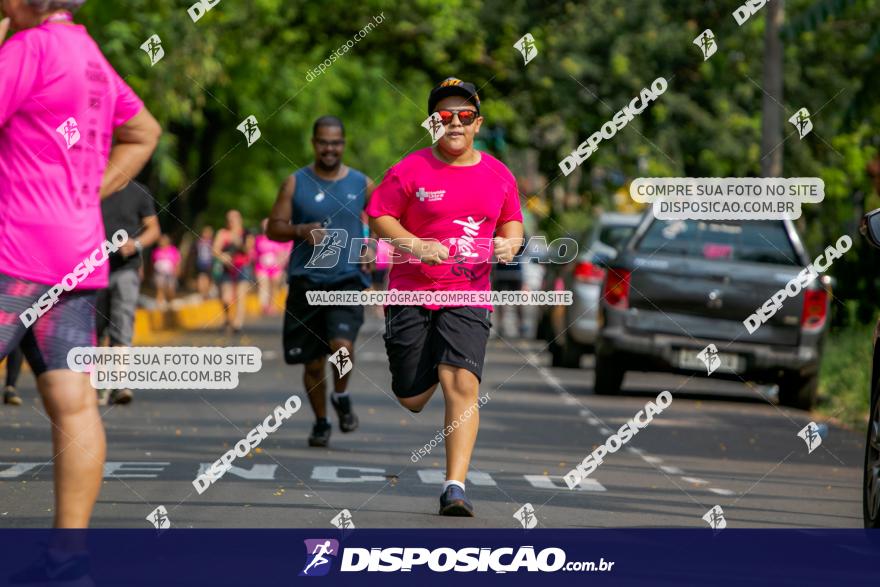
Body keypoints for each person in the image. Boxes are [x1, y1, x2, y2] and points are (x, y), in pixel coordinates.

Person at [0, 0, 160, 556]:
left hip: (12, 255)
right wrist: (87, 192)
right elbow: (143, 130)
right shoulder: (90, 55)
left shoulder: (27, 48)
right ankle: (67, 558)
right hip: (75, 256)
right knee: (75, 406)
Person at [367, 78, 524, 516]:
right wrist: (415, 245)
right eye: (444, 116)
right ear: (432, 123)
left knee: (462, 384)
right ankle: (433, 363)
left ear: (478, 123)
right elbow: (378, 213)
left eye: (465, 115)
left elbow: (513, 223)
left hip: (468, 292)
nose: (454, 122)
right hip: (410, 292)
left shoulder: (498, 174)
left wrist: (510, 244)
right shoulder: (409, 169)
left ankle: (455, 486)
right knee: (411, 397)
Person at [267, 115, 373, 447]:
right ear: (314, 143)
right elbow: (273, 227)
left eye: (336, 142)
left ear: (343, 144)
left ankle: (341, 395)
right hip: (306, 283)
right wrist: (299, 230)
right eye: (324, 142)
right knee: (312, 363)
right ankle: (322, 421)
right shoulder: (295, 183)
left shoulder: (362, 184)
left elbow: (386, 220)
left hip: (346, 280)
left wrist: (371, 246)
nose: (330, 148)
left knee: (342, 347)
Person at [95, 179, 160, 406]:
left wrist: (137, 244)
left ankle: (120, 383)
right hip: (93, 270)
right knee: (96, 329)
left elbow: (153, 229)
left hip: (126, 268)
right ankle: (100, 385)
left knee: (122, 324)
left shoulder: (140, 191)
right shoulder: (95, 187)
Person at [213, 209, 254, 337]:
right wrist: (222, 257)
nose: (232, 222)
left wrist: (238, 241)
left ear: (239, 220)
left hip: (242, 266)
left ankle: (238, 323)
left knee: (240, 295)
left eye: (234, 219)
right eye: (229, 219)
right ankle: (227, 319)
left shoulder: (247, 233)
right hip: (226, 268)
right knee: (226, 297)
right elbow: (215, 250)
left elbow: (248, 250)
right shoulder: (222, 233)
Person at [254, 218, 291, 315]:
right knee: (263, 285)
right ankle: (264, 305)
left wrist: (280, 262)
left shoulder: (278, 238)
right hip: (262, 267)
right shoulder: (258, 239)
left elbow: (285, 251)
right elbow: (253, 253)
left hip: (276, 267)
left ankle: (272, 305)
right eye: (264, 225)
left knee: (274, 285)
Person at [152, 234, 181, 308]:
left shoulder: (173, 250)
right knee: (160, 288)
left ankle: (170, 305)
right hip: (159, 274)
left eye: (164, 240)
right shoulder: (156, 251)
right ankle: (160, 306)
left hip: (171, 274)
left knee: (170, 290)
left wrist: (177, 270)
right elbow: (153, 262)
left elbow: (177, 261)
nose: (162, 241)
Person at [194, 225, 215, 300]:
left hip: (209, 264)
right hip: (200, 263)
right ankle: (202, 294)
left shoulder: (212, 242)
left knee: (207, 279)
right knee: (201, 279)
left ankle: (205, 294)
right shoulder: (199, 242)